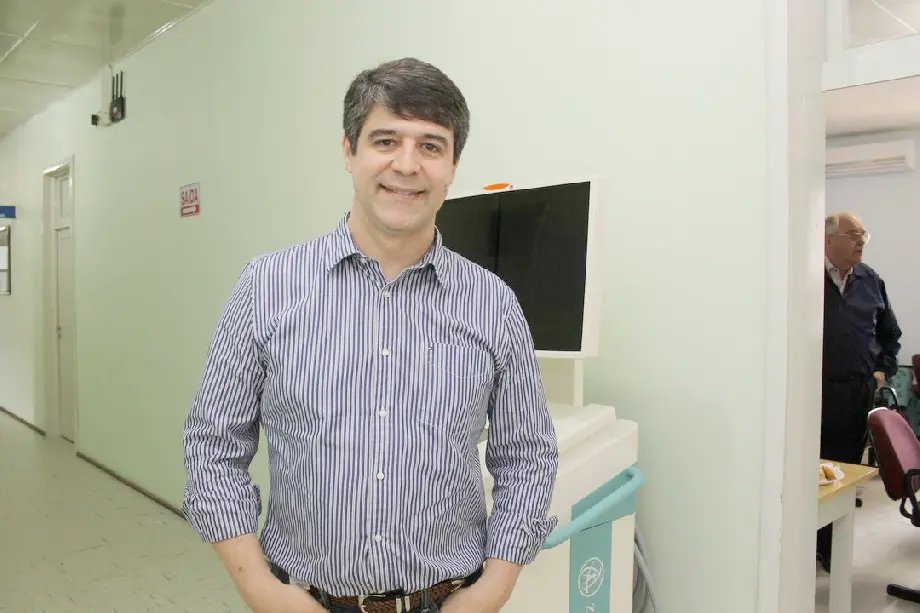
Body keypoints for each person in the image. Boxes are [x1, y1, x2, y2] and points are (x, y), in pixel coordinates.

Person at [182, 57, 559, 613]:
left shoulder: (492, 305)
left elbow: (527, 455)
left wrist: (493, 589)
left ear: (453, 165)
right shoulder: (267, 287)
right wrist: (260, 590)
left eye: (431, 145)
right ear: (348, 150)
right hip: (303, 600)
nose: (406, 165)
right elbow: (213, 445)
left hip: (447, 599)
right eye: (386, 141)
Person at [817, 212, 901, 571]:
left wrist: (882, 370)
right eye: (853, 235)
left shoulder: (870, 280)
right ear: (827, 240)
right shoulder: (805, 277)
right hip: (813, 393)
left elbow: (890, 334)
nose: (860, 242)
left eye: (863, 235)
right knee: (811, 472)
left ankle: (831, 549)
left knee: (844, 473)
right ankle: (801, 544)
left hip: (856, 392)